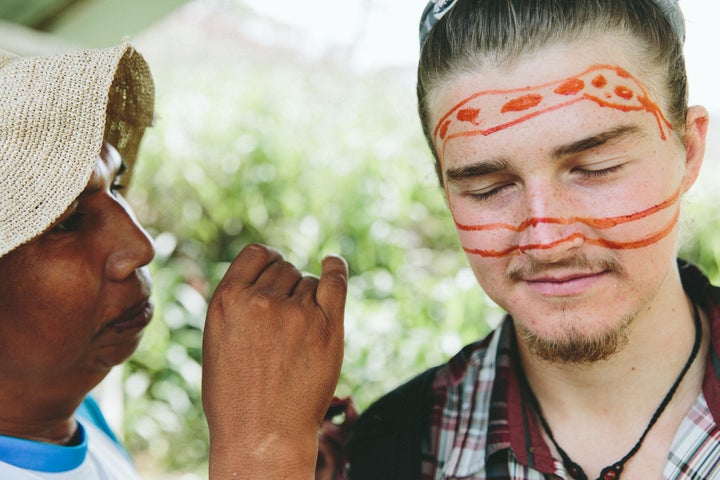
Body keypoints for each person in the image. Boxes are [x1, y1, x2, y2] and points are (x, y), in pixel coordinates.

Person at [338, 0, 720, 478]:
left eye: (596, 170)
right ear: (445, 190)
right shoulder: (394, 451)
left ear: (689, 151)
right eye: (489, 189)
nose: (546, 239)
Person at [0, 44, 348, 479]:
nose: (140, 246)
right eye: (68, 221)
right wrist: (264, 453)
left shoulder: (70, 418)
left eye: (117, 185)